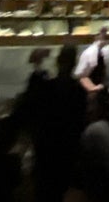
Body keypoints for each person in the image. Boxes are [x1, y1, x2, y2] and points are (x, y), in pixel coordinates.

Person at [31, 44, 87, 202]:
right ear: (74, 63)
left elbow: (33, 101)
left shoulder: (47, 87)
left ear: (58, 61)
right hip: (68, 156)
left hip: (47, 157)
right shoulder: (79, 91)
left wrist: (37, 64)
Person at [80, 88, 109, 202]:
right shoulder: (108, 126)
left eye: (90, 104)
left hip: (102, 191)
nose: (87, 109)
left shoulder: (93, 130)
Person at [75, 26, 109, 92]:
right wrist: (93, 88)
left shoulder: (106, 50)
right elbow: (82, 75)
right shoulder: (90, 52)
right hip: (88, 86)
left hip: (98, 84)